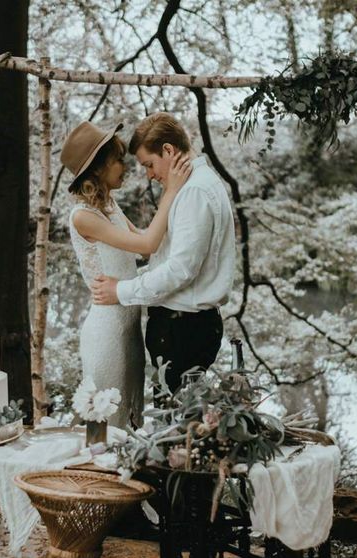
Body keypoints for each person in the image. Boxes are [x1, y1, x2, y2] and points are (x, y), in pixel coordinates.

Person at [91, 113, 236, 393]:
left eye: (149, 164)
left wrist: (121, 291)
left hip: (182, 330)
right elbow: (171, 259)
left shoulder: (194, 192)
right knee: (178, 422)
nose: (149, 174)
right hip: (184, 327)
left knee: (175, 425)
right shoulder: (192, 186)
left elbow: (179, 270)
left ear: (168, 150)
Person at [60, 120, 191, 427]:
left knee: (129, 425)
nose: (125, 166)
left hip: (129, 330)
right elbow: (147, 242)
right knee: (105, 427)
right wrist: (171, 191)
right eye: (117, 160)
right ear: (98, 167)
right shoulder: (83, 216)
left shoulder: (109, 206)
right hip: (106, 334)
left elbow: (145, 250)